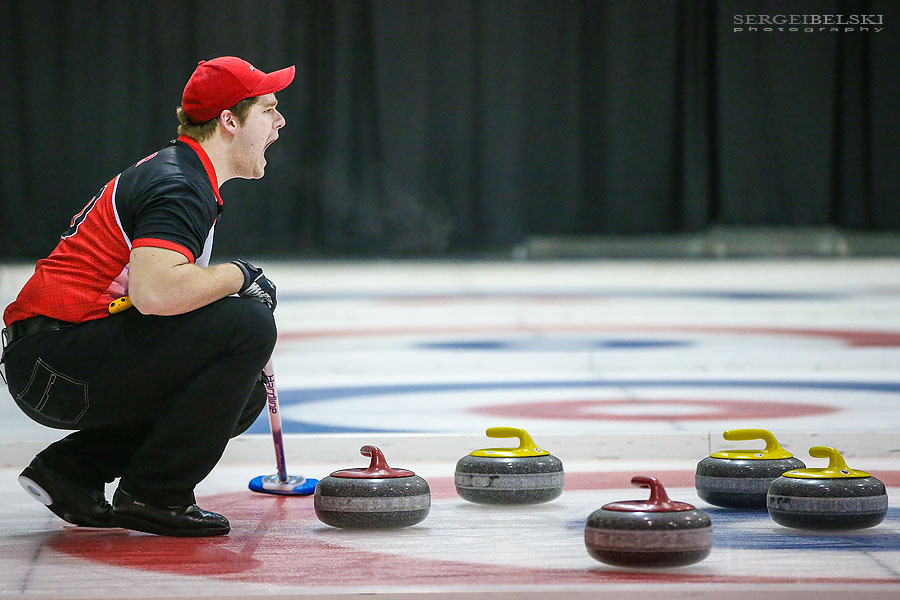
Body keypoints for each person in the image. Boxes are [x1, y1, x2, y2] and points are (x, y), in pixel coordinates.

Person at [0, 56, 293, 537]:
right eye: (268, 109)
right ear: (229, 120)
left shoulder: (180, 172)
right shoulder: (181, 184)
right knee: (248, 326)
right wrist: (240, 276)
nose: (280, 121)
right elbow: (156, 292)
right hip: (57, 362)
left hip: (49, 359)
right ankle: (156, 495)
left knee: (241, 392)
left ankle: (72, 472)